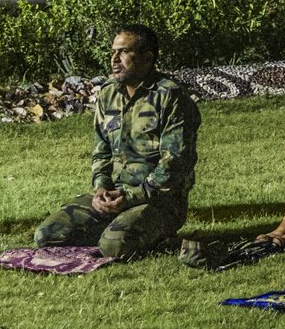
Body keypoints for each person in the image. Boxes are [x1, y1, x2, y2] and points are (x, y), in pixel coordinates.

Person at [35, 24, 200, 259]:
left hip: (159, 201)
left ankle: (148, 235)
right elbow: (101, 151)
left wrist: (130, 198)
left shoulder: (171, 97)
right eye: (113, 52)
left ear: (147, 58)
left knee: (115, 246)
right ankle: (117, 227)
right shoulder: (108, 93)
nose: (114, 59)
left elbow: (174, 164)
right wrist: (101, 188)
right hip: (114, 196)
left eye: (123, 52)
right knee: (48, 236)